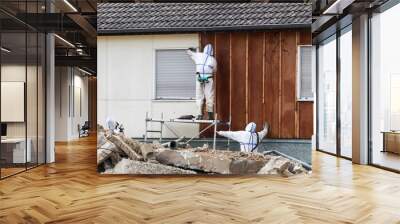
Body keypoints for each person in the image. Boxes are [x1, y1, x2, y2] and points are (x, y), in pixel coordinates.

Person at [187, 44, 217, 120]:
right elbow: (215, 70)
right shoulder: (213, 59)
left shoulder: (198, 55)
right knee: (209, 95)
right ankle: (210, 115)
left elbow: (188, 52)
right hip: (208, 77)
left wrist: (193, 49)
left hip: (199, 77)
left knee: (199, 96)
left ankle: (200, 114)